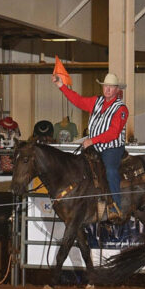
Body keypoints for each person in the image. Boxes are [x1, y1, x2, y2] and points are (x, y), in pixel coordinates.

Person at [54, 71, 130, 222]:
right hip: (95, 146)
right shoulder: (96, 101)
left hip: (112, 148)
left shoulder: (121, 109)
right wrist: (61, 86)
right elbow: (78, 100)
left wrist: (92, 140)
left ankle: (116, 206)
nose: (107, 89)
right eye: (106, 86)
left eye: (111, 87)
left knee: (110, 170)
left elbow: (113, 133)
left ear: (117, 90)